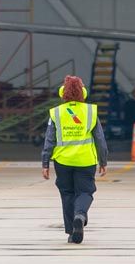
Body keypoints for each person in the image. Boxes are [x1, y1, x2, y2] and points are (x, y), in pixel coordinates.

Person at [41, 75, 109, 244]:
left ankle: (72, 231)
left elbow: (49, 140)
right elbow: (100, 139)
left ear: (62, 92)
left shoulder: (56, 113)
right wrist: (103, 160)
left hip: (63, 161)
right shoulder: (90, 112)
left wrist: (45, 162)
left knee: (67, 194)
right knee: (85, 192)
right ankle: (80, 215)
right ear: (83, 92)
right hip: (86, 161)